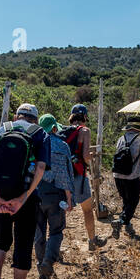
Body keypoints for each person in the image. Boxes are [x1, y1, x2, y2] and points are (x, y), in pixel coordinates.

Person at [0, 103, 48, 279]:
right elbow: (40, 167)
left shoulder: (2, 129)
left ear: (17, 115)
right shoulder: (40, 134)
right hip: (26, 200)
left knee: (0, 241)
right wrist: (23, 198)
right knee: (23, 243)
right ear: (35, 119)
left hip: (0, 196)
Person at [33, 113, 75, 279]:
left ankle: (40, 263)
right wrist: (70, 199)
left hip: (36, 194)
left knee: (39, 231)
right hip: (56, 196)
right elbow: (66, 175)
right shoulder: (62, 146)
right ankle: (48, 261)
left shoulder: (35, 144)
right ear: (54, 128)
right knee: (56, 231)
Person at [61, 104, 105, 253]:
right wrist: (90, 158)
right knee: (87, 210)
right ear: (85, 116)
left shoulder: (62, 130)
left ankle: (56, 245)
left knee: (59, 211)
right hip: (78, 176)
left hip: (63, 177)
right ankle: (92, 240)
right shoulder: (85, 131)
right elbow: (86, 157)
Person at [111, 114, 140, 237]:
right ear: (139, 128)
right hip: (132, 176)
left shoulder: (121, 139)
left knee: (126, 201)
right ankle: (121, 221)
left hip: (118, 175)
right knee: (133, 201)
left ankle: (127, 226)